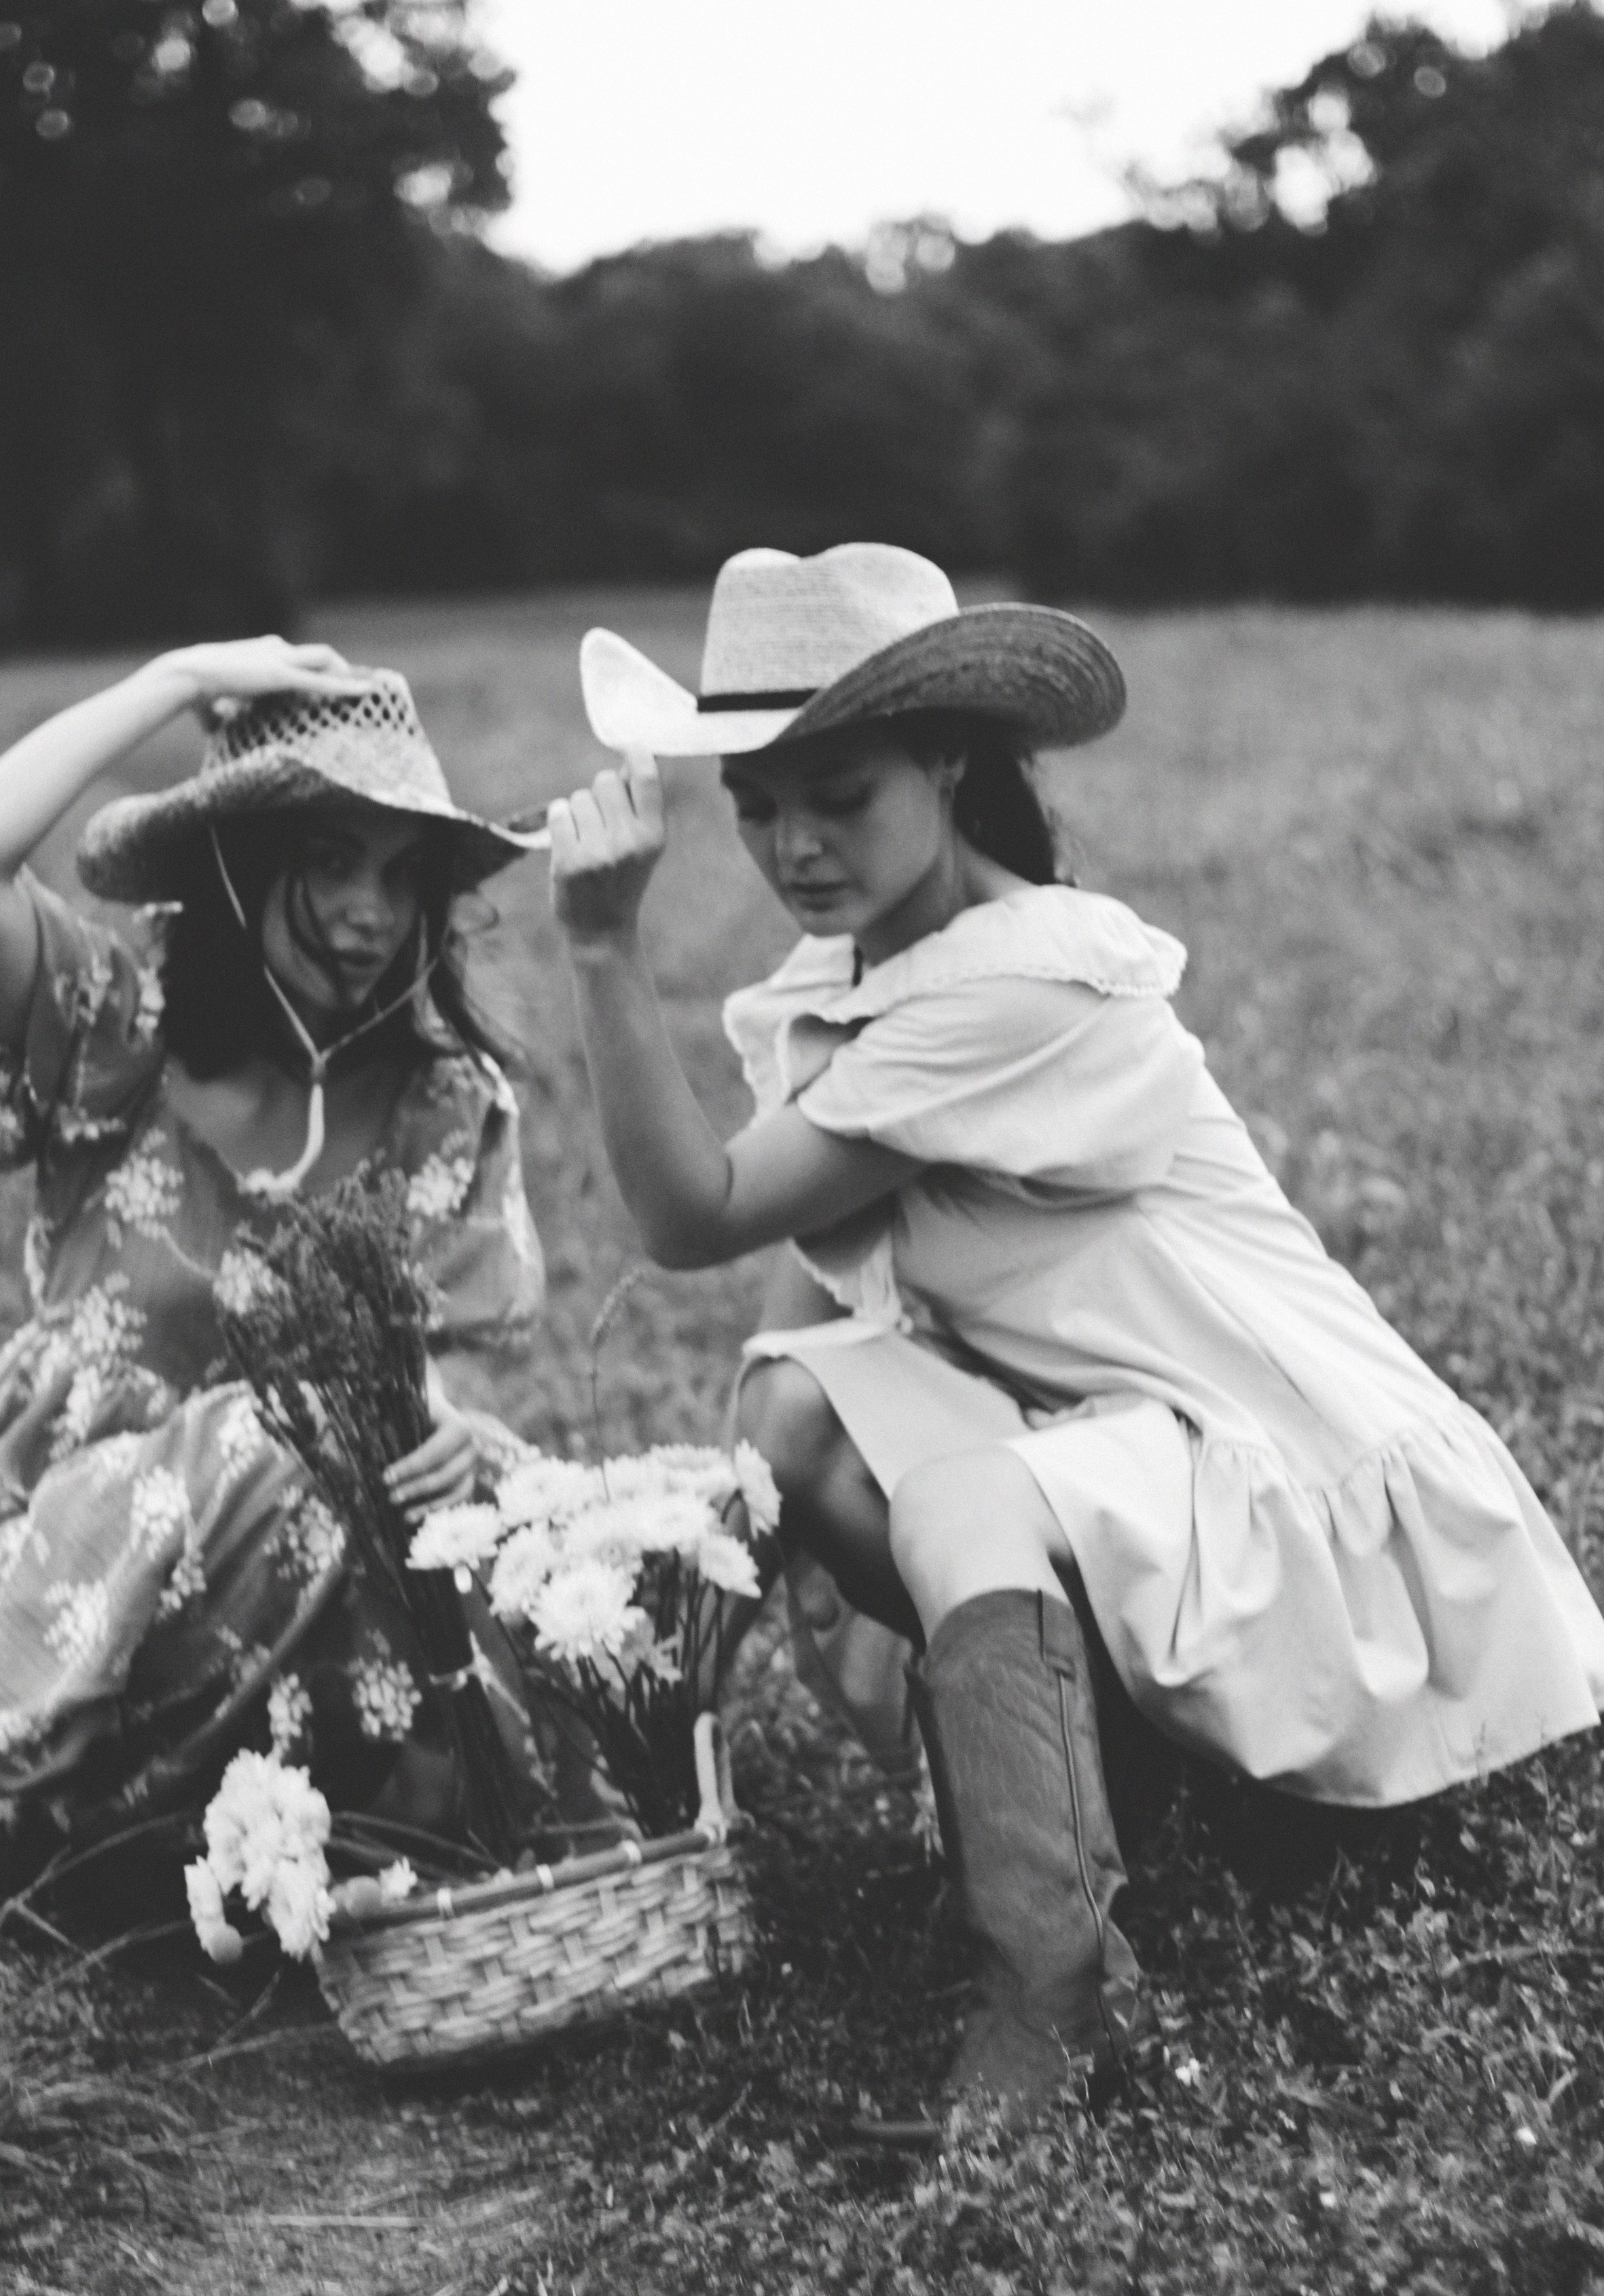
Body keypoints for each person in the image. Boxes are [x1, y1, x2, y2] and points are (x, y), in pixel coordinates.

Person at [548, 541, 1604, 2122]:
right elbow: (795, 1321)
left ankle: (1054, 1973)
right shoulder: (850, 983)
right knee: (788, 1418)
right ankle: (1115, 1804)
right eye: (755, 802)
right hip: (1127, 1454)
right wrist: (674, 1616)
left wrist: (595, 949)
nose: (790, 843)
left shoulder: (1019, 985)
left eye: (836, 792)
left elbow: (690, 1215)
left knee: (958, 1492)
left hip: (1284, 1477)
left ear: (949, 760)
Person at [0, 637, 551, 1870]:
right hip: (61, 1571)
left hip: (310, 1583)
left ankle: (308, 1807)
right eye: (331, 861)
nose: (370, 914)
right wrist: (179, 682)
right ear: (237, 868)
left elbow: (466, 1369)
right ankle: (164, 1803)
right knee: (295, 1432)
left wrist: (453, 1425)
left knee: (496, 1489)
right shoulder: (116, 1031)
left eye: (405, 878)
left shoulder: (440, 1101)